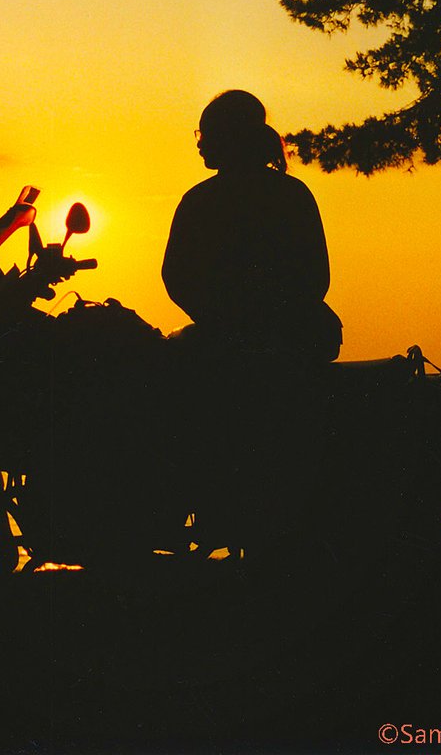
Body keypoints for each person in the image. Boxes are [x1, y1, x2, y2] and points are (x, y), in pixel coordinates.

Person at [162, 89, 333, 554]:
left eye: (205, 133)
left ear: (227, 137)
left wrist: (223, 321)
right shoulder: (292, 194)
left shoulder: (201, 201)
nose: (198, 143)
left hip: (246, 340)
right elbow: (315, 276)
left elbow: (176, 276)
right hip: (289, 336)